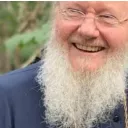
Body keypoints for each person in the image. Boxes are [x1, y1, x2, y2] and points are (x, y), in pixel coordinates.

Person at [0, 1, 128, 128]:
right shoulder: (5, 97)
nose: (87, 30)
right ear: (54, 16)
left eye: (107, 17)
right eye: (74, 11)